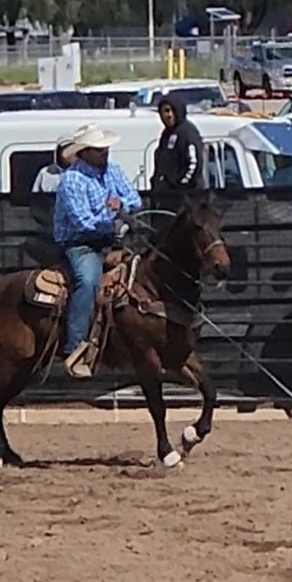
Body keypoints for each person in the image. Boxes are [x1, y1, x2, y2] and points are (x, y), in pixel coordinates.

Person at [52, 124, 142, 379]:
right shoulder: (72, 180)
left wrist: (122, 203)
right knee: (88, 280)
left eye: (105, 148)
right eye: (99, 149)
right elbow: (82, 222)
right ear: (85, 152)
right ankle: (75, 345)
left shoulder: (113, 171)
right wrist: (113, 215)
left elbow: (135, 199)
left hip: (111, 239)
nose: (105, 153)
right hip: (80, 243)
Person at [150, 92, 205, 205]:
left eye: (172, 110)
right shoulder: (166, 135)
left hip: (187, 199)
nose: (169, 115)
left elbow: (194, 164)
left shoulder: (188, 132)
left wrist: (180, 186)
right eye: (165, 111)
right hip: (167, 198)